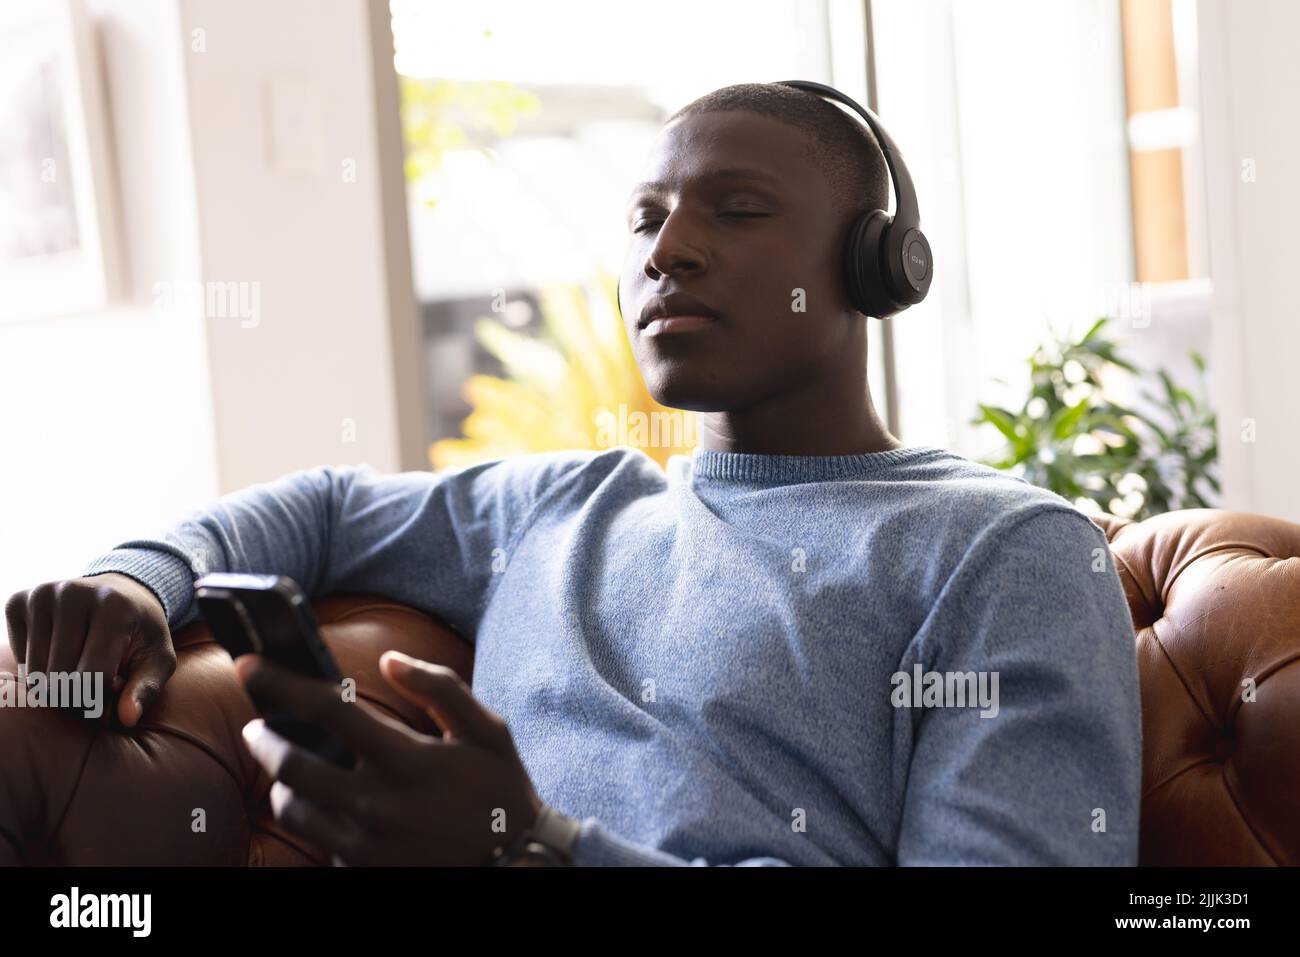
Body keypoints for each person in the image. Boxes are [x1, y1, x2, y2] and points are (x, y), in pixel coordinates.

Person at [4, 82, 1141, 866]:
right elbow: (318, 505)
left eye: (735, 210)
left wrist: (536, 848)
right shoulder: (561, 504)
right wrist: (137, 582)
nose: (665, 248)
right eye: (645, 217)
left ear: (874, 268)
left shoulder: (1004, 551)